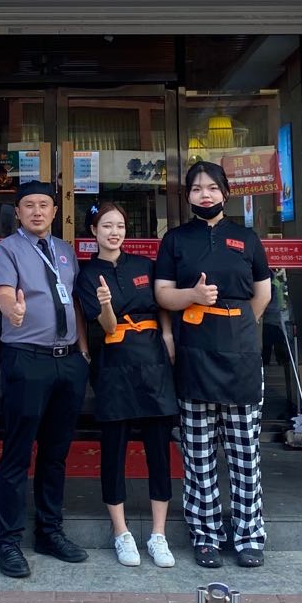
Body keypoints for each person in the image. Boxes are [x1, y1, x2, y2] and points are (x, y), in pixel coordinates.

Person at [154, 161, 272, 569]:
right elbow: (163, 294)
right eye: (196, 188)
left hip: (240, 355)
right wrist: (193, 297)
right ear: (187, 195)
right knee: (198, 453)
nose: (204, 195)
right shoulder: (175, 240)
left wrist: (236, 326)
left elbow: (262, 294)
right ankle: (205, 535)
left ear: (225, 192)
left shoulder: (247, 238)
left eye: (212, 188)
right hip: (194, 353)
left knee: (244, 453)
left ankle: (248, 535)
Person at [0, 179, 89, 578]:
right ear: (18, 212)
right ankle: (8, 541)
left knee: (55, 453)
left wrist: (83, 351)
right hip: (26, 359)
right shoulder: (7, 249)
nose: (37, 211)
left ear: (54, 211)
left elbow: (73, 300)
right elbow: (5, 294)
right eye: (29, 205)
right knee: (17, 453)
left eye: (43, 205)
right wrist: (11, 310)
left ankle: (49, 531)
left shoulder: (65, 251)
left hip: (67, 362)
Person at [74, 201, 179, 569]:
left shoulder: (144, 265)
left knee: (159, 452)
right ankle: (121, 532)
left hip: (153, 364)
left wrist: (168, 336)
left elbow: (162, 304)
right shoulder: (87, 275)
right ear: (93, 231)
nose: (114, 232)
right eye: (106, 226)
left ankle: (159, 534)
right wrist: (105, 305)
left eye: (119, 225)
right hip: (115, 367)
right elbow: (105, 326)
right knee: (114, 451)